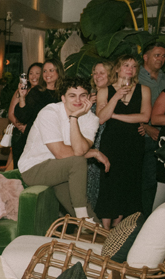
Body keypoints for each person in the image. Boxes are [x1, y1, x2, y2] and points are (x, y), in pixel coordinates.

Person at [18, 77, 109, 219]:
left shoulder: (91, 119)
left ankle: (90, 226)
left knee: (87, 211)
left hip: (61, 168)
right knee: (78, 162)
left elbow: (79, 151)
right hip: (34, 168)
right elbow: (60, 153)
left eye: (82, 95)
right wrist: (93, 152)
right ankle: (82, 219)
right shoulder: (50, 112)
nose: (78, 100)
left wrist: (74, 118)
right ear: (63, 98)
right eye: (72, 95)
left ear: (89, 98)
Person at [95, 55, 151, 228]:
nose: (130, 69)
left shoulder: (144, 90)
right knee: (109, 183)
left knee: (128, 183)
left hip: (134, 142)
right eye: (126, 65)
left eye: (133, 66)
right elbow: (101, 118)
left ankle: (118, 227)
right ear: (118, 69)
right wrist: (116, 97)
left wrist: (115, 115)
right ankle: (105, 229)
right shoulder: (105, 91)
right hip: (111, 142)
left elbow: (145, 117)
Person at [138, 41, 165, 217]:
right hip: (142, 137)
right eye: (157, 55)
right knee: (143, 181)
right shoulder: (134, 77)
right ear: (145, 57)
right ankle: (139, 221)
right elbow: (125, 108)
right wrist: (146, 127)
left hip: (163, 139)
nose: (161, 59)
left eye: (163, 56)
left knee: (158, 182)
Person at [13, 60, 61, 166]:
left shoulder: (64, 92)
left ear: (59, 72)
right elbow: (23, 116)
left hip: (56, 139)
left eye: (51, 70)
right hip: (35, 140)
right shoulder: (37, 92)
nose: (47, 74)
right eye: (45, 71)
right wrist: (22, 97)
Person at [86, 60, 112, 210]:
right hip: (90, 142)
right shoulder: (88, 94)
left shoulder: (114, 93)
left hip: (107, 141)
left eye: (102, 73)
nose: (97, 76)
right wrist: (87, 104)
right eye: (95, 73)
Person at [7, 62, 43, 165]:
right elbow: (11, 114)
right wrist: (21, 127)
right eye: (31, 73)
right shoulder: (20, 91)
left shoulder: (44, 93)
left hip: (37, 136)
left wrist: (29, 128)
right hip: (20, 135)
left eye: (37, 73)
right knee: (19, 165)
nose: (34, 76)